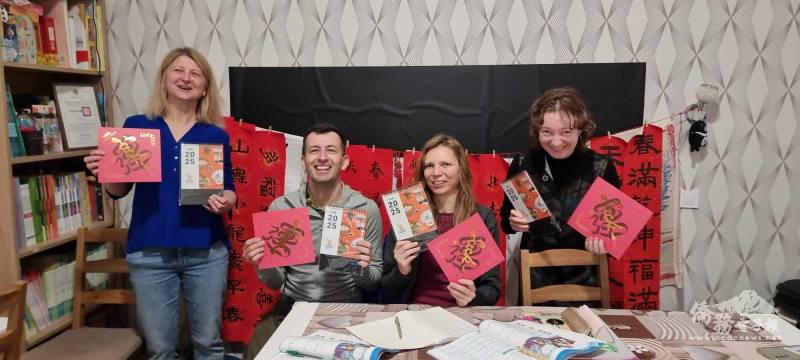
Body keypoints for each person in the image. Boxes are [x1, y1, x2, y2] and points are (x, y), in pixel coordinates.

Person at [84, 47, 235, 360]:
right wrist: (105, 172)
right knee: (161, 349)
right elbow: (118, 190)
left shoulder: (214, 135)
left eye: (196, 73)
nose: (186, 78)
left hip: (206, 251)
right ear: (164, 78)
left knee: (209, 344)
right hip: (150, 250)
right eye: (178, 70)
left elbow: (229, 189)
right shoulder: (138, 126)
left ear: (205, 86)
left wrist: (225, 201)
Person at [241, 123, 382, 360]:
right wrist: (262, 262)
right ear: (303, 160)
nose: (323, 157)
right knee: (257, 353)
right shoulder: (283, 207)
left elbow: (373, 282)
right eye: (315, 150)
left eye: (331, 150)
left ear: (344, 161)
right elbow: (276, 283)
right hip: (292, 307)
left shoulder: (365, 208)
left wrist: (362, 268)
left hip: (346, 309)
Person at [500, 86, 620, 293]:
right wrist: (513, 222)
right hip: (535, 279)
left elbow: (615, 229)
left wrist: (605, 242)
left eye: (566, 132)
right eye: (547, 132)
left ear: (581, 131)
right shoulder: (522, 165)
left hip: (587, 279)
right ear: (537, 130)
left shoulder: (601, 167)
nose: (556, 142)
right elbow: (505, 222)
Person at [381, 134, 500, 306]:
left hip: (463, 314)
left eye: (445, 164)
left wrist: (473, 297)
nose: (436, 173)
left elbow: (492, 288)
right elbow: (387, 290)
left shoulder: (481, 218)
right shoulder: (410, 216)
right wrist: (402, 270)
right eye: (429, 166)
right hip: (415, 311)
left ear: (461, 169)